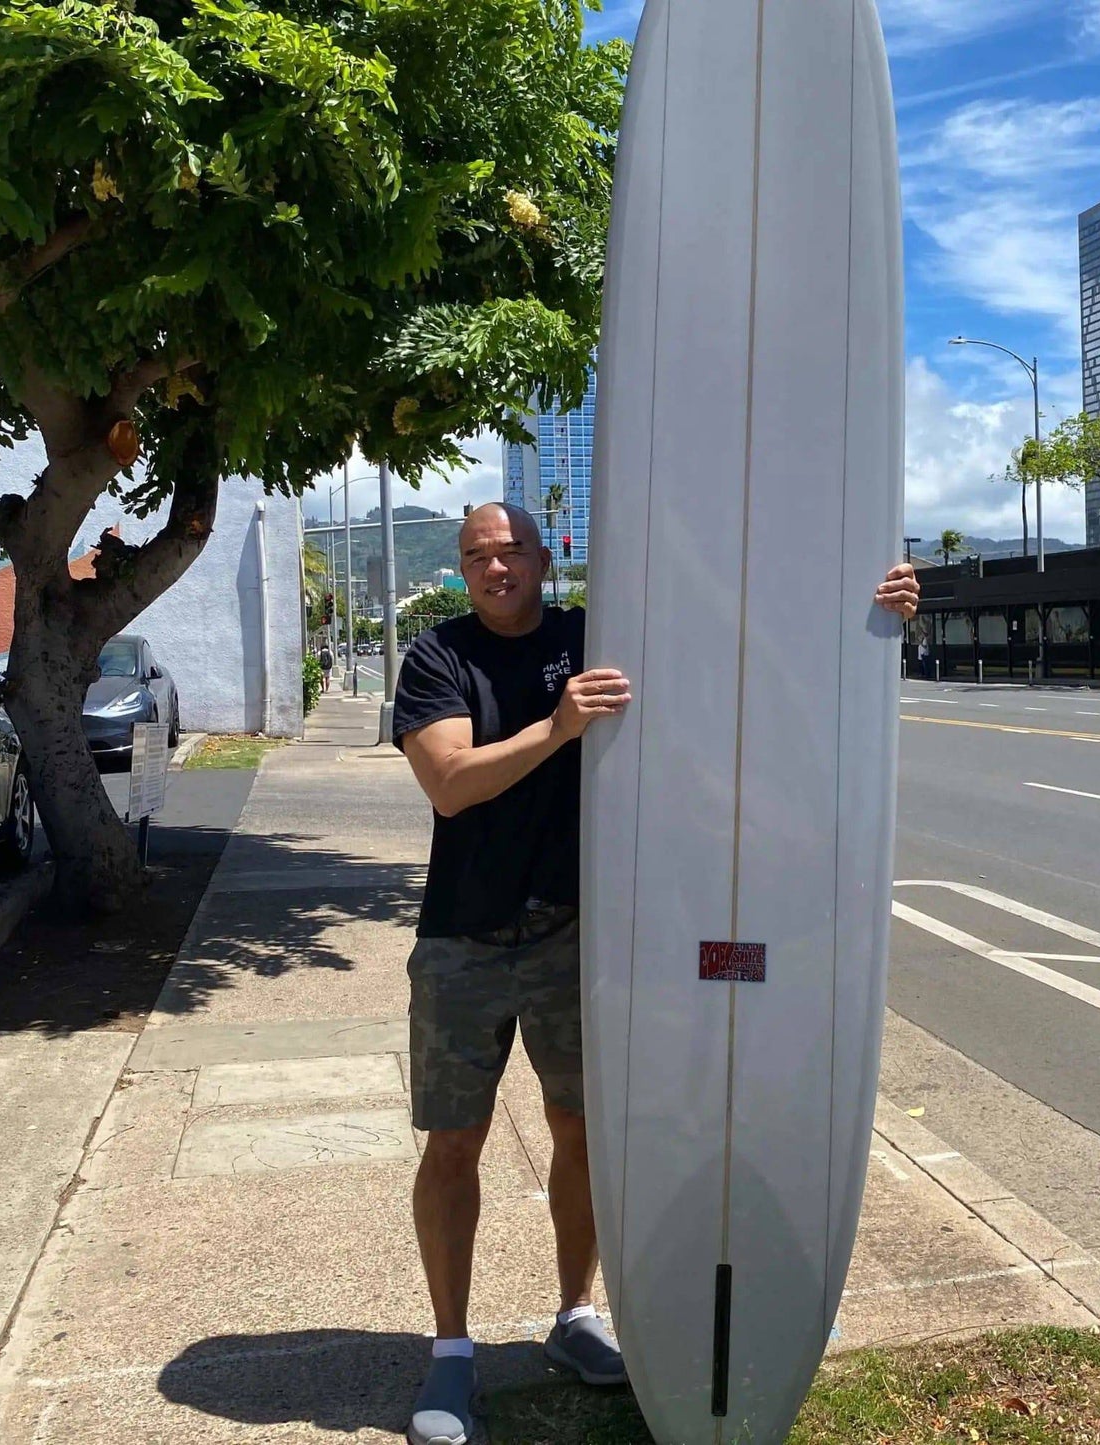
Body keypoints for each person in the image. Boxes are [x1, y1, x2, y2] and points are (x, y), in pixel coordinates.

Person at [393, 503, 920, 1445]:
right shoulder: (438, 656)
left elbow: (738, 640)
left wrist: (868, 612)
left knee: (587, 1133)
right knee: (453, 1143)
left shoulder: (597, 634)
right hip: (461, 940)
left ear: (543, 556)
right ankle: (451, 1352)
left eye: (509, 549)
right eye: (476, 555)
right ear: (461, 570)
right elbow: (450, 781)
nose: (494, 566)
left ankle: (572, 1316)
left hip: (576, 937)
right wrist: (557, 728)